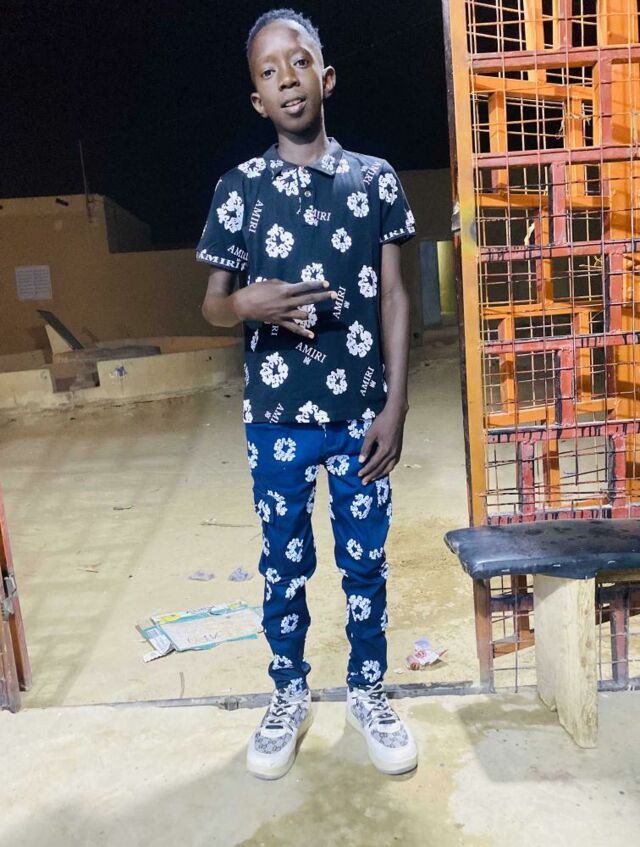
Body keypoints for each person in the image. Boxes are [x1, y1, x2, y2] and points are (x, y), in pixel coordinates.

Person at [197, 8, 418, 779]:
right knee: (283, 565)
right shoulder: (239, 189)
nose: (286, 78)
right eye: (269, 70)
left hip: (361, 416)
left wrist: (395, 404)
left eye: (297, 62)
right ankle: (289, 693)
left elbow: (396, 296)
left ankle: (367, 691)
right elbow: (211, 305)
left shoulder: (375, 179)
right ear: (257, 99)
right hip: (277, 419)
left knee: (365, 563)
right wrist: (244, 303)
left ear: (325, 78)